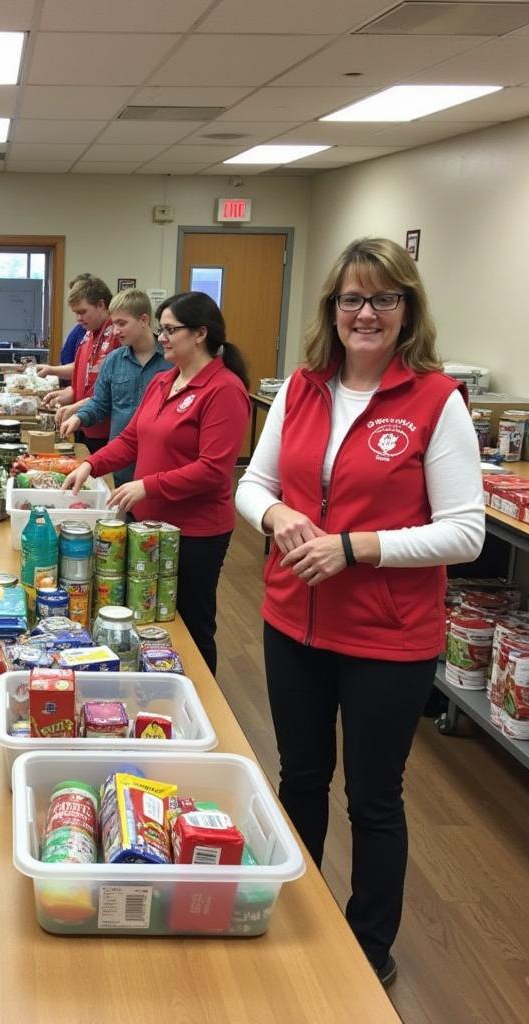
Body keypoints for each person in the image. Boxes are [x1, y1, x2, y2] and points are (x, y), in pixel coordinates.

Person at [235, 237, 484, 987]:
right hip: (293, 621)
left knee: (375, 799)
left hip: (388, 637)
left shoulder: (436, 402)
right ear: (331, 309)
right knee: (300, 778)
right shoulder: (303, 388)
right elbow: (254, 482)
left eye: (383, 298)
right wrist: (277, 518)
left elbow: (466, 530)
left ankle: (368, 948)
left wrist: (357, 548)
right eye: (352, 298)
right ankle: (297, 917)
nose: (365, 313)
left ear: (407, 309)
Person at [64, 291, 250, 673]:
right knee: (152, 619)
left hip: (196, 532)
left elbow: (213, 469)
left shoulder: (224, 389)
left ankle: (199, 697)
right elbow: (132, 439)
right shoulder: (165, 381)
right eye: (161, 329)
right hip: (148, 524)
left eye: (170, 330)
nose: (162, 337)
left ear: (200, 334)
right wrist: (91, 465)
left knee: (191, 626)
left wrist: (148, 486)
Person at [57, 289, 171, 485]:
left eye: (122, 323)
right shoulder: (113, 361)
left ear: (144, 320)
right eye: (113, 323)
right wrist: (79, 417)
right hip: (121, 465)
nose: (115, 331)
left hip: (159, 467)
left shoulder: (171, 362)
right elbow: (100, 403)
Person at [41, 275, 117, 453]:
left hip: (103, 428)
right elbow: (85, 369)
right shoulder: (89, 333)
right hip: (84, 423)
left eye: (82, 312)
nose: (78, 318)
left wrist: (77, 405)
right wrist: (71, 391)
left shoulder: (117, 335)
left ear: (101, 305)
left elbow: (112, 391)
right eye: (75, 313)